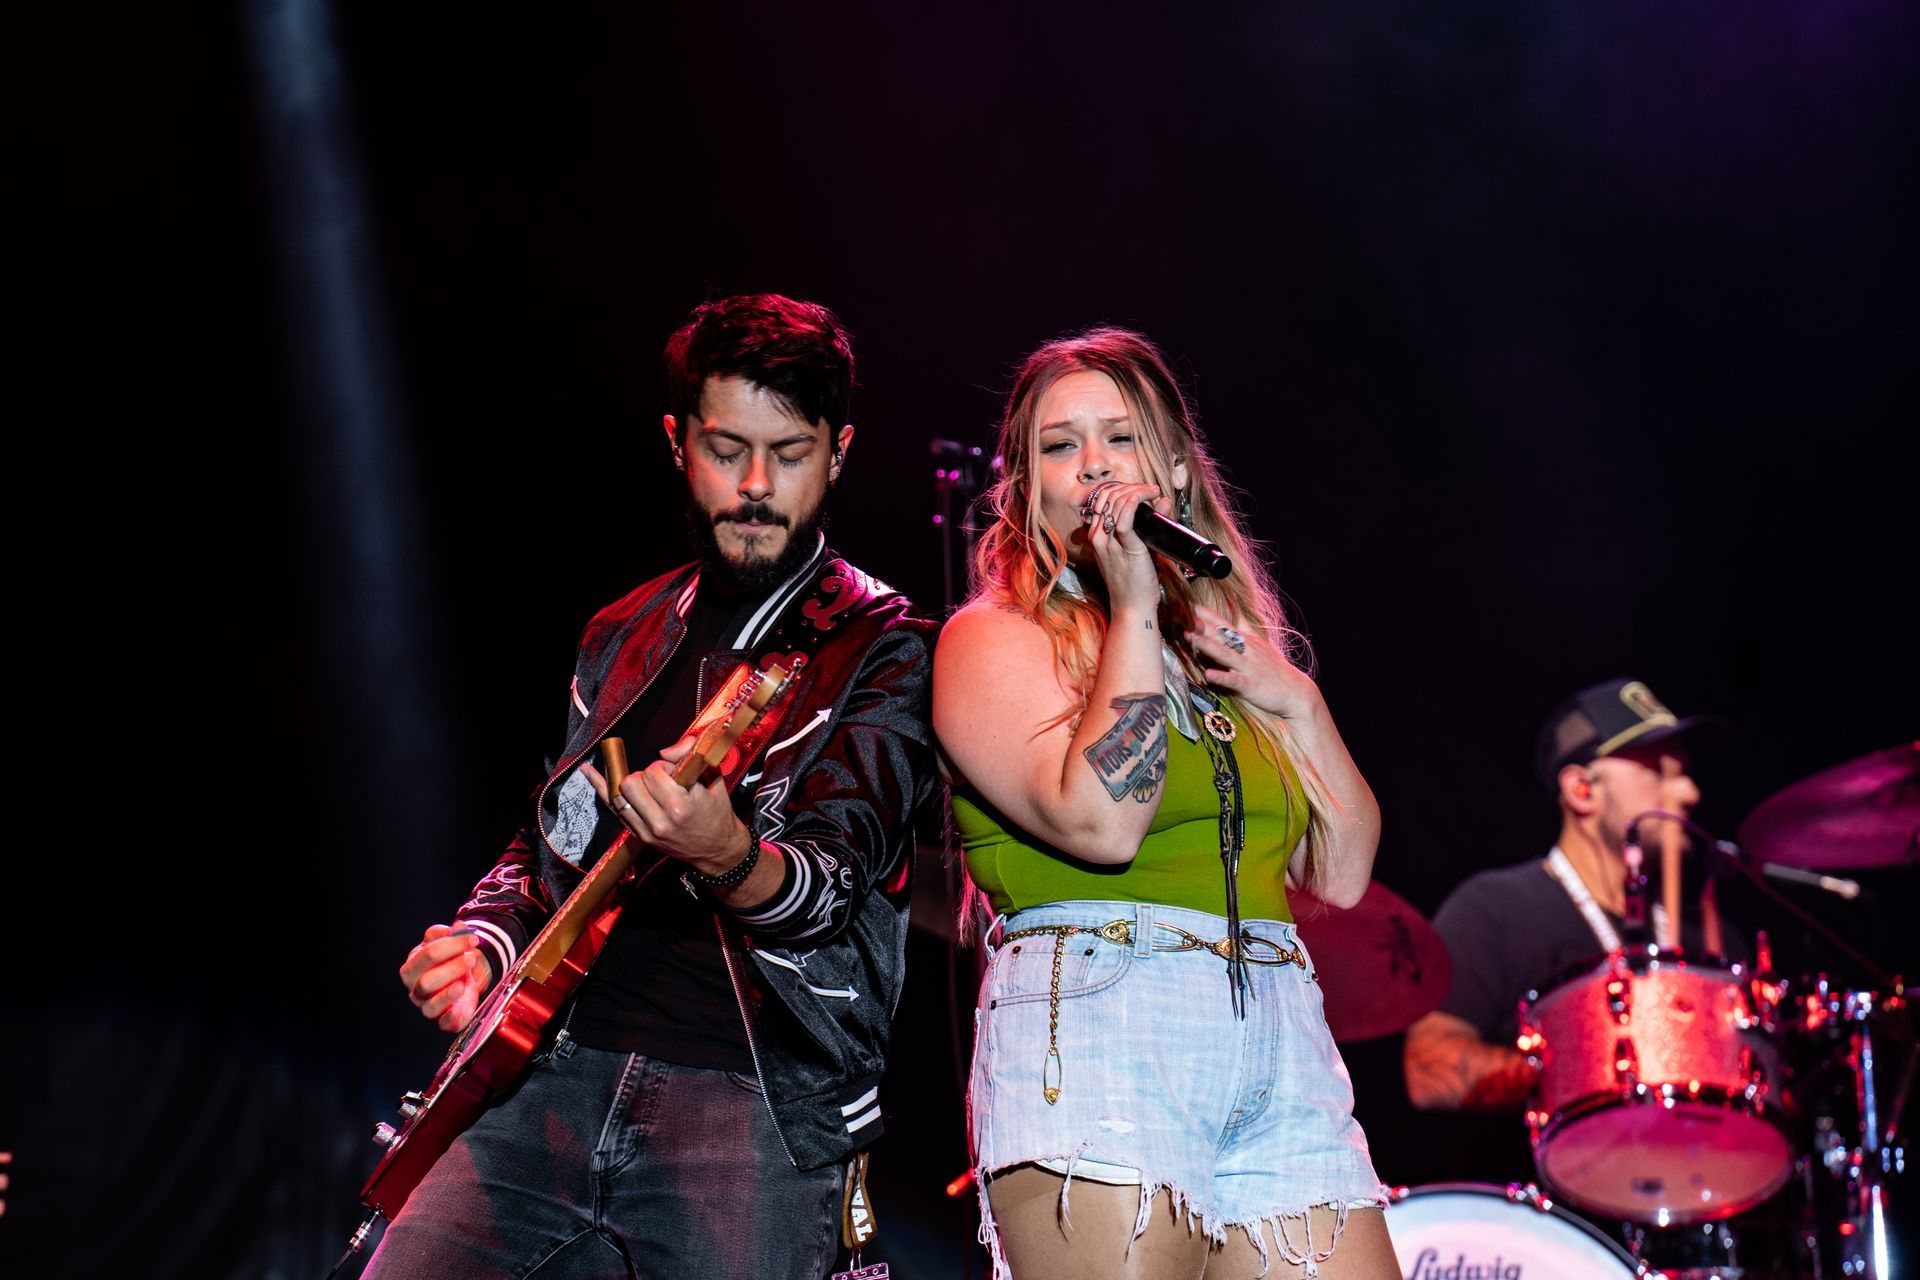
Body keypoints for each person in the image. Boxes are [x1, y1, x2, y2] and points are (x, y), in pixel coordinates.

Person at [365, 294, 941, 1280]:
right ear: (677, 442)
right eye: (726, 449)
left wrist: (729, 856)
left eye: (789, 451)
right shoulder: (621, 630)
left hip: (757, 1100)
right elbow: (552, 840)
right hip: (551, 1070)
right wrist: (482, 942)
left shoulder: (889, 648)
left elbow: (839, 880)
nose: (755, 484)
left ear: (838, 451)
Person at [935, 328, 1398, 1280]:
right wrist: (1136, 610)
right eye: (1060, 448)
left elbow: (1343, 873)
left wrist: (1294, 697)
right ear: (1028, 487)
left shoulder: (1225, 645)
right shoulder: (994, 638)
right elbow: (1102, 822)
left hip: (1277, 1023)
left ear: (1177, 472)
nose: (1094, 467)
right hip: (1103, 1013)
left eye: (1121, 439)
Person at [1402, 678, 1713, 1113]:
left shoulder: (1709, 941)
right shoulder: (1495, 909)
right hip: (1558, 1174)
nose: (1688, 792)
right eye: (1659, 772)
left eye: (1686, 773)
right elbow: (1428, 1071)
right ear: (1581, 789)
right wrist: (1587, 1074)